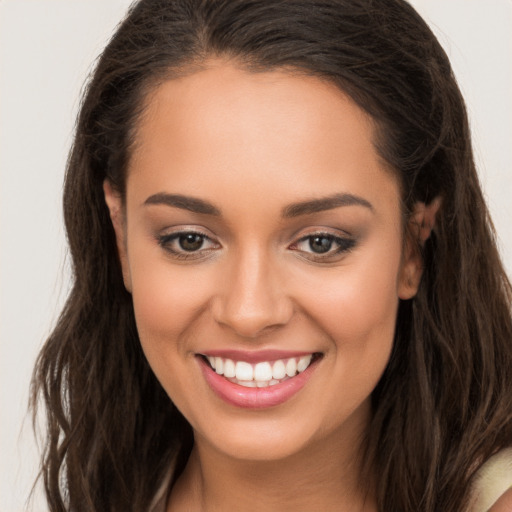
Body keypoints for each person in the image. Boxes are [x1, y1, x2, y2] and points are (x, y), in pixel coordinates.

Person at [30, 0, 512, 510]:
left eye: (320, 242)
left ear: (413, 246)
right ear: (121, 234)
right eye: (189, 240)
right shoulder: (113, 491)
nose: (249, 312)